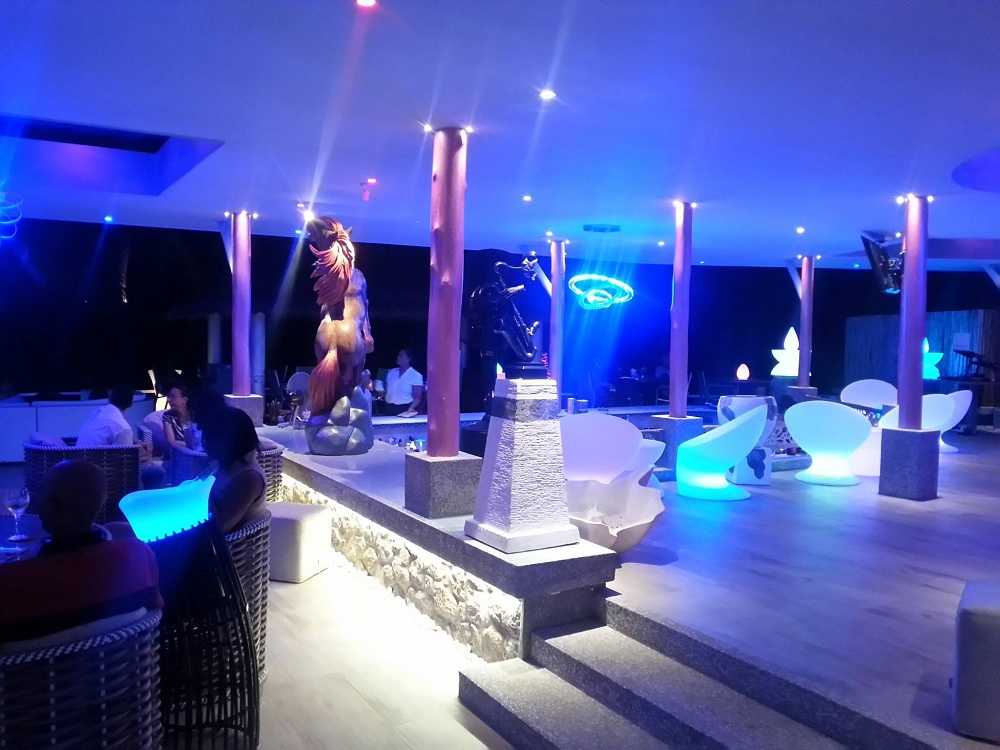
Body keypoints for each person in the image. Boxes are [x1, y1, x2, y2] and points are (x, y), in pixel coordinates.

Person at [0, 461, 162, 643]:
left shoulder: (13, 583)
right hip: (125, 657)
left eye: (41, 497)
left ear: (51, 507)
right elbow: (156, 608)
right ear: (100, 503)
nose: (36, 506)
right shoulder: (139, 556)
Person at [202, 407, 267, 533]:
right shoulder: (226, 463)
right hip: (206, 529)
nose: (205, 442)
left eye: (210, 436)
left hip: (228, 543)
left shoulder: (249, 478)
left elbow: (220, 526)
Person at [380, 348, 424, 417]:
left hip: (405, 409)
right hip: (388, 408)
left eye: (401, 355)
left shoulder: (416, 375)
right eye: (398, 355)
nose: (398, 357)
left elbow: (417, 397)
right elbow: (385, 389)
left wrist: (411, 409)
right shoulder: (391, 372)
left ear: (408, 359)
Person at [162, 381, 197, 450]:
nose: (168, 400)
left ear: (185, 399)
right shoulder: (168, 415)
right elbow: (171, 441)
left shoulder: (196, 414)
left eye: (173, 396)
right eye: (168, 396)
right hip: (181, 451)